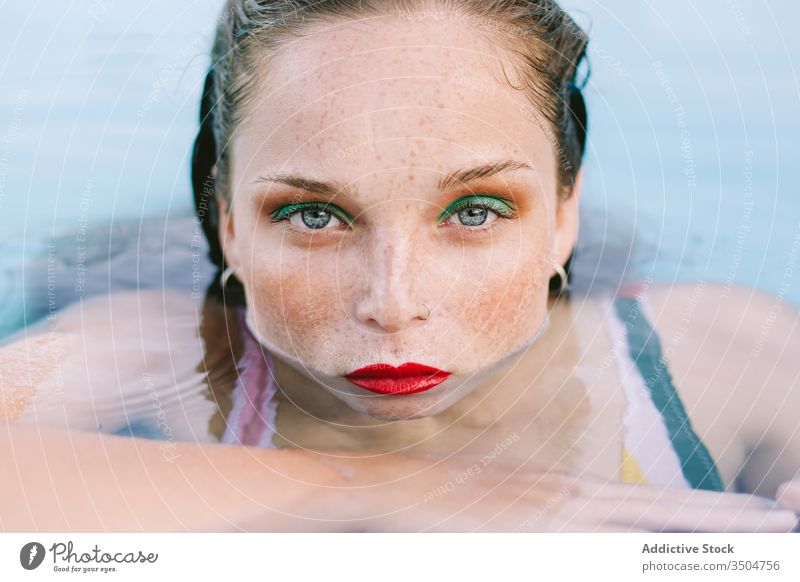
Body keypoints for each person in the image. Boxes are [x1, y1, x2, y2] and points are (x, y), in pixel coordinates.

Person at [1, 0, 798, 533]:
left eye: (475, 211)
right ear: (230, 225)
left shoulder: (715, 355)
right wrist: (394, 488)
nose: (394, 302)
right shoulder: (167, 352)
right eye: (313, 215)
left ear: (563, 213)